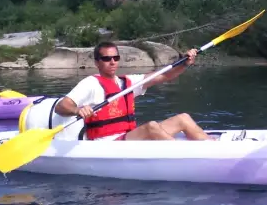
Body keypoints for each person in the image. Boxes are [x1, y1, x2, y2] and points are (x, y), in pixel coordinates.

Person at [53, 41, 214, 141]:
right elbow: (61, 106)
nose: (112, 62)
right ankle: (186, 157)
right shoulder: (90, 83)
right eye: (106, 59)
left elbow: (165, 75)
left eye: (115, 58)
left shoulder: (128, 82)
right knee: (151, 126)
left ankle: (210, 146)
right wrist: (78, 109)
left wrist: (185, 63)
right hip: (109, 144)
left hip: (129, 137)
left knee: (183, 118)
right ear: (97, 62)